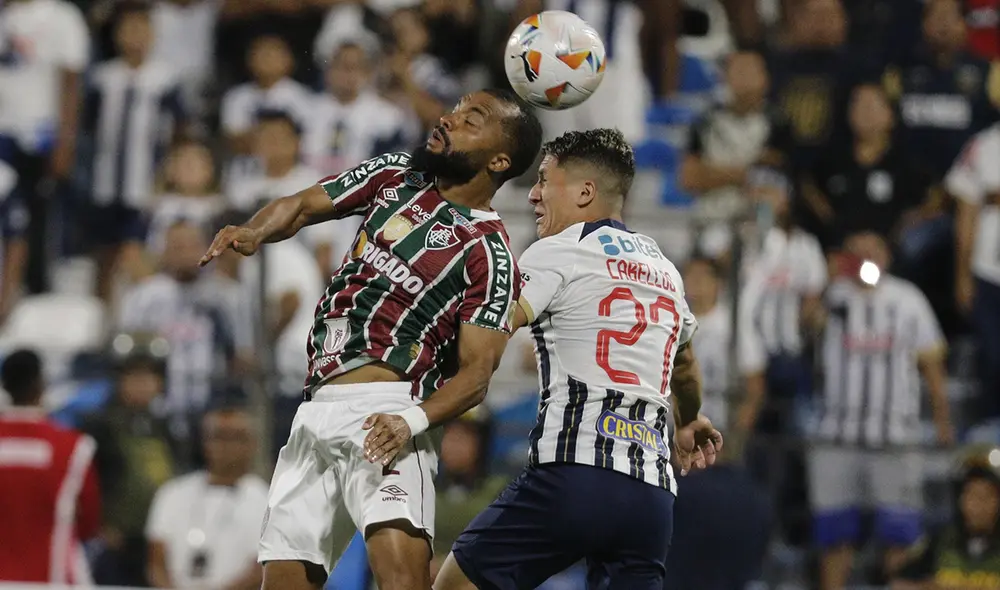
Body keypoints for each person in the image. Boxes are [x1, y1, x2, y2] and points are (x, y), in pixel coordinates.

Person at [199, 88, 544, 590]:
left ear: (499, 159)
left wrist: (409, 423)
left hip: (387, 412)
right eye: (455, 108)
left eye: (472, 119)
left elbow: (476, 376)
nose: (448, 118)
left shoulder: (488, 253)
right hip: (314, 410)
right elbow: (301, 205)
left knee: (400, 578)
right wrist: (254, 232)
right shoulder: (397, 174)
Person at [433, 128, 723, 590]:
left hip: (573, 475)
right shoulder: (664, 268)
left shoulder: (559, 251)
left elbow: (492, 328)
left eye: (545, 180)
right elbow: (684, 366)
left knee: (455, 585)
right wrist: (686, 420)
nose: (533, 194)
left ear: (585, 191)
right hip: (650, 496)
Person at [810, 231, 954, 590]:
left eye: (872, 251)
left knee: (899, 533)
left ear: (887, 256)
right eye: (856, 253)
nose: (865, 259)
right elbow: (804, 326)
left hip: (894, 438)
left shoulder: (907, 300)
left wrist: (943, 421)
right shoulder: (833, 298)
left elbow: (932, 363)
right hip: (836, 437)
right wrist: (827, 280)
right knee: (834, 534)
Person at [0, 349, 101, 583]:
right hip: (52, 579)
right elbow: (89, 522)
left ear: (5, 386)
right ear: (41, 385)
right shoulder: (73, 448)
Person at [145, 404, 268, 590]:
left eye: (236, 438)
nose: (227, 446)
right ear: (204, 442)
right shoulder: (172, 493)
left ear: (252, 444)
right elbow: (156, 562)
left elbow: (262, 568)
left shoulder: (267, 499)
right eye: (219, 437)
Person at [891, 444, 1000, 590]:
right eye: (972, 495)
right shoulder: (940, 541)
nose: (979, 505)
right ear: (960, 500)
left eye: (986, 496)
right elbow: (899, 582)